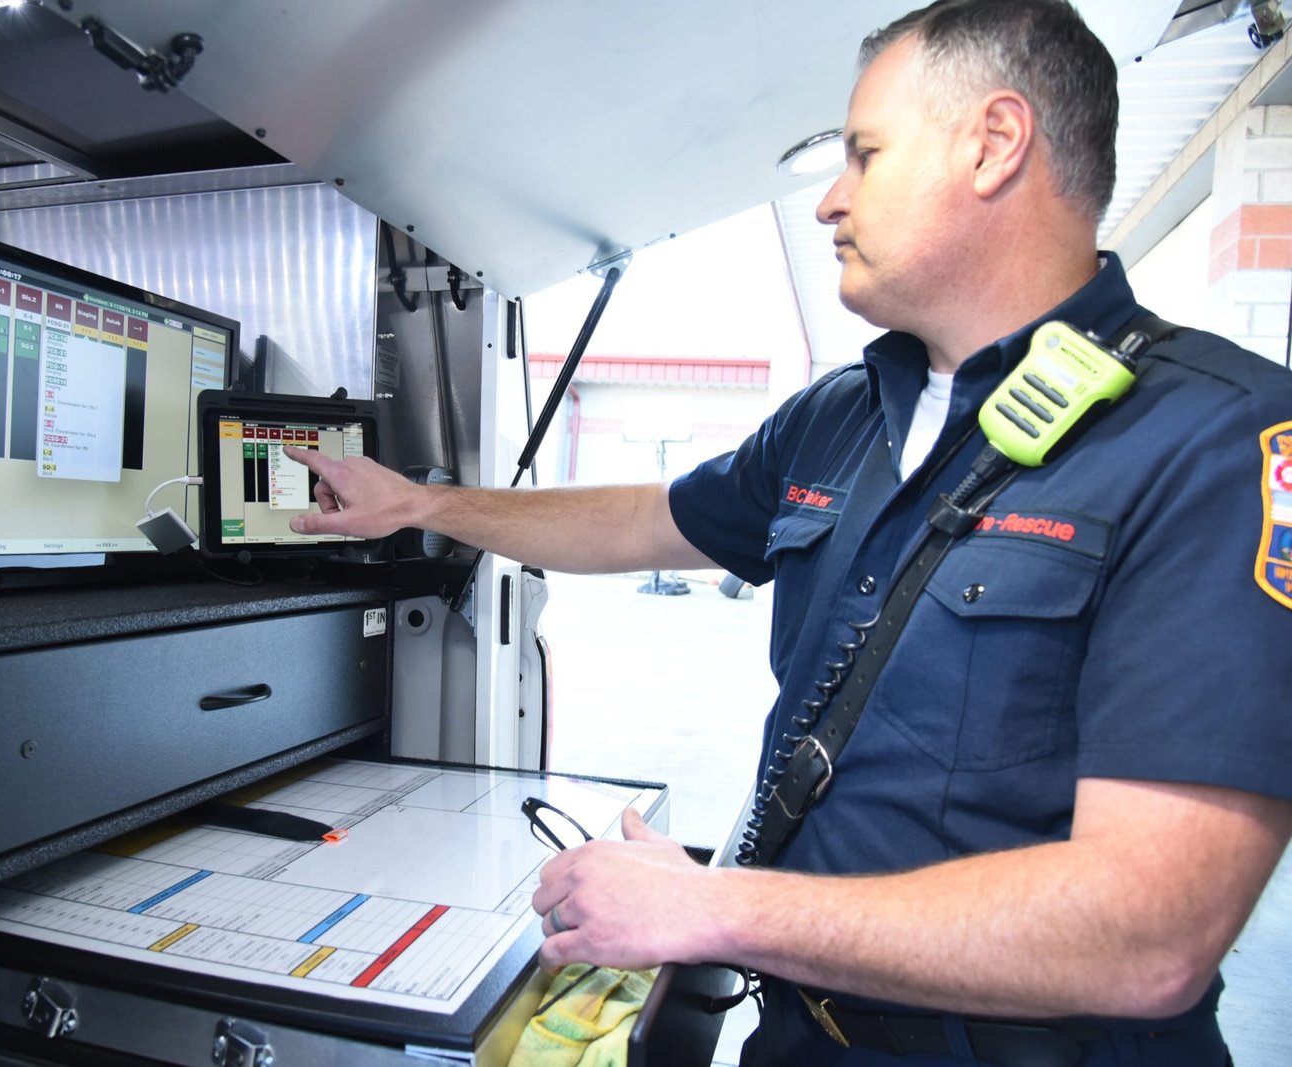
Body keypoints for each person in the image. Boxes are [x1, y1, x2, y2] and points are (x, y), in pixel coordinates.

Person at [285, 0, 1292, 1062]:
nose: (829, 201)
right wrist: (425, 504)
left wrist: (714, 909)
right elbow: (641, 517)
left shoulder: (1215, 439)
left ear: (993, 144)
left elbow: (1147, 935)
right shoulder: (842, 414)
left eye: (863, 154)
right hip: (799, 1033)